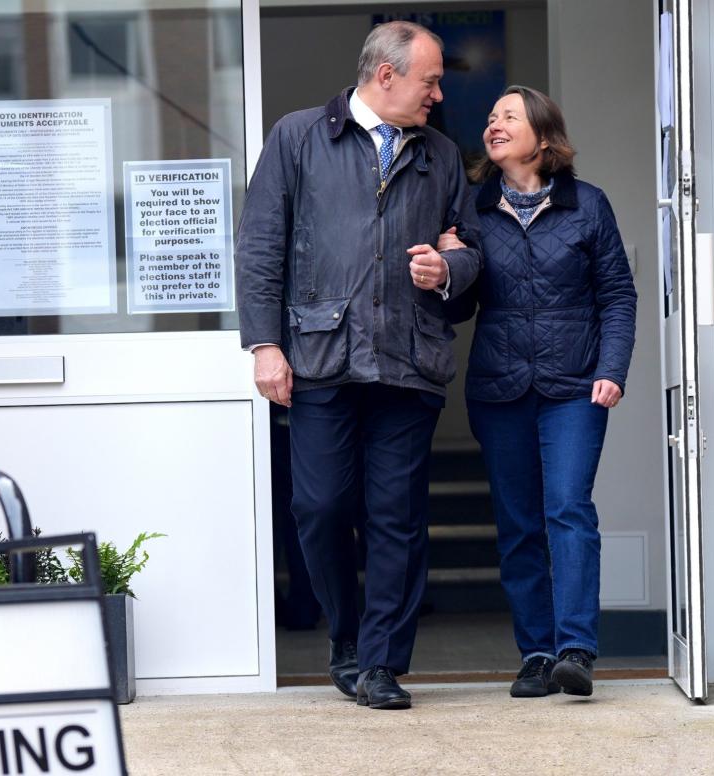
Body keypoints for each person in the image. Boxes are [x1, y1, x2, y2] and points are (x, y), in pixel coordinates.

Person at [235, 21, 482, 710]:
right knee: (317, 507)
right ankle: (345, 639)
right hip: (319, 358)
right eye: (429, 81)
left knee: (396, 516)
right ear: (385, 76)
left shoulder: (438, 154)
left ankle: (379, 663)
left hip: (407, 362)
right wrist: (264, 344)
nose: (437, 95)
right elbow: (260, 247)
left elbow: (471, 252)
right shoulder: (298, 136)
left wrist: (447, 269)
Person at [438, 85, 636, 698]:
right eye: (491, 117)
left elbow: (618, 297)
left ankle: (575, 647)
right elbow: (463, 306)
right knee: (519, 523)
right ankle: (536, 652)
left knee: (568, 508)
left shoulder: (588, 206)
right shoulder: (473, 210)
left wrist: (613, 368)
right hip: (499, 389)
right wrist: (449, 268)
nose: (493, 125)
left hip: (575, 384)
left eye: (509, 117)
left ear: (543, 137)